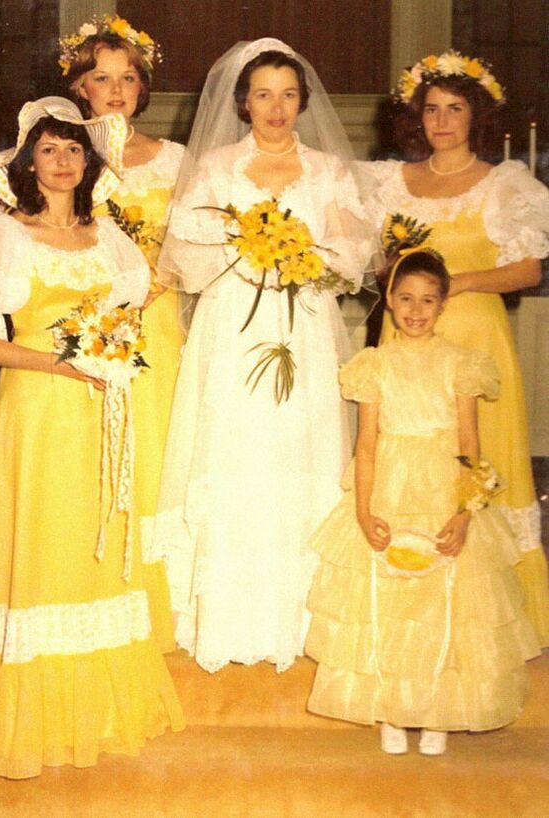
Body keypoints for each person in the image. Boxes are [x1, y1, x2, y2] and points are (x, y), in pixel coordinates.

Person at [0, 97, 184, 779]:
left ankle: (100, 708)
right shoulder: (1, 236)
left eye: (73, 149)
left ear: (90, 163)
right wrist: (60, 363)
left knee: (94, 539)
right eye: (48, 150)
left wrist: (111, 358)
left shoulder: (108, 237)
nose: (61, 161)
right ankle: (33, 715)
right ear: (27, 164)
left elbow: (127, 318)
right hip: (37, 412)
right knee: (44, 539)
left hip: (102, 411)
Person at [150, 38, 377, 673]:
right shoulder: (216, 168)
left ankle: (301, 616)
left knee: (299, 451)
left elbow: (353, 257)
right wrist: (245, 253)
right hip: (233, 326)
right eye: (263, 95)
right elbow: (184, 258)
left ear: (303, 102)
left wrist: (301, 259)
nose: (276, 108)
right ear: (243, 103)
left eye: (288, 95)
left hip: (302, 326)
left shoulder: (328, 171)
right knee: (236, 451)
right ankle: (228, 616)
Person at [306, 250, 540, 756]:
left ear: (443, 304)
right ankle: (393, 708)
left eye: (428, 300)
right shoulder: (374, 365)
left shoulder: (461, 363)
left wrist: (465, 513)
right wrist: (363, 511)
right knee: (392, 600)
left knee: (444, 598)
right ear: (390, 301)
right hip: (390, 485)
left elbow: (471, 446)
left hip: (443, 486)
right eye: (406, 299)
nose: (416, 310)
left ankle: (439, 710)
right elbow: (367, 445)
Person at [363, 50, 549, 645]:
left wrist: (457, 283)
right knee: (409, 461)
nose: (442, 121)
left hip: (473, 335)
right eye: (432, 110)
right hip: (407, 339)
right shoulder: (390, 183)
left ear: (477, 117)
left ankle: (495, 623)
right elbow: (375, 265)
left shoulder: (505, 184)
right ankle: (411, 615)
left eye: (455, 109)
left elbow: (527, 269)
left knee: (479, 458)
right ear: (416, 118)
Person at [61, 14, 185, 652]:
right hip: (91, 327)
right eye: (101, 78)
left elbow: (200, 243)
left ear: (142, 87)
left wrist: (159, 279)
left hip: (157, 326)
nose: (115, 90)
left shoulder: (175, 160)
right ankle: (97, 596)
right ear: (79, 87)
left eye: (127, 78)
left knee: (155, 451)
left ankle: (159, 612)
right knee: (88, 456)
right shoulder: (61, 156)